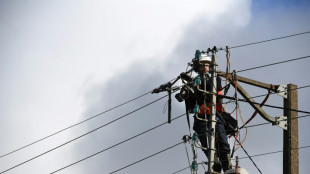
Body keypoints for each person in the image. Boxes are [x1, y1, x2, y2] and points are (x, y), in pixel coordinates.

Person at [192, 54, 233, 173]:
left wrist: (201, 83)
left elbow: (213, 86)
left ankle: (227, 168)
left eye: (207, 65)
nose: (205, 67)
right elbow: (191, 98)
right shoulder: (194, 82)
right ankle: (215, 166)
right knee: (206, 144)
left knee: (222, 142)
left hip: (215, 115)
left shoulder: (215, 78)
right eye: (202, 65)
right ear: (198, 68)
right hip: (201, 116)